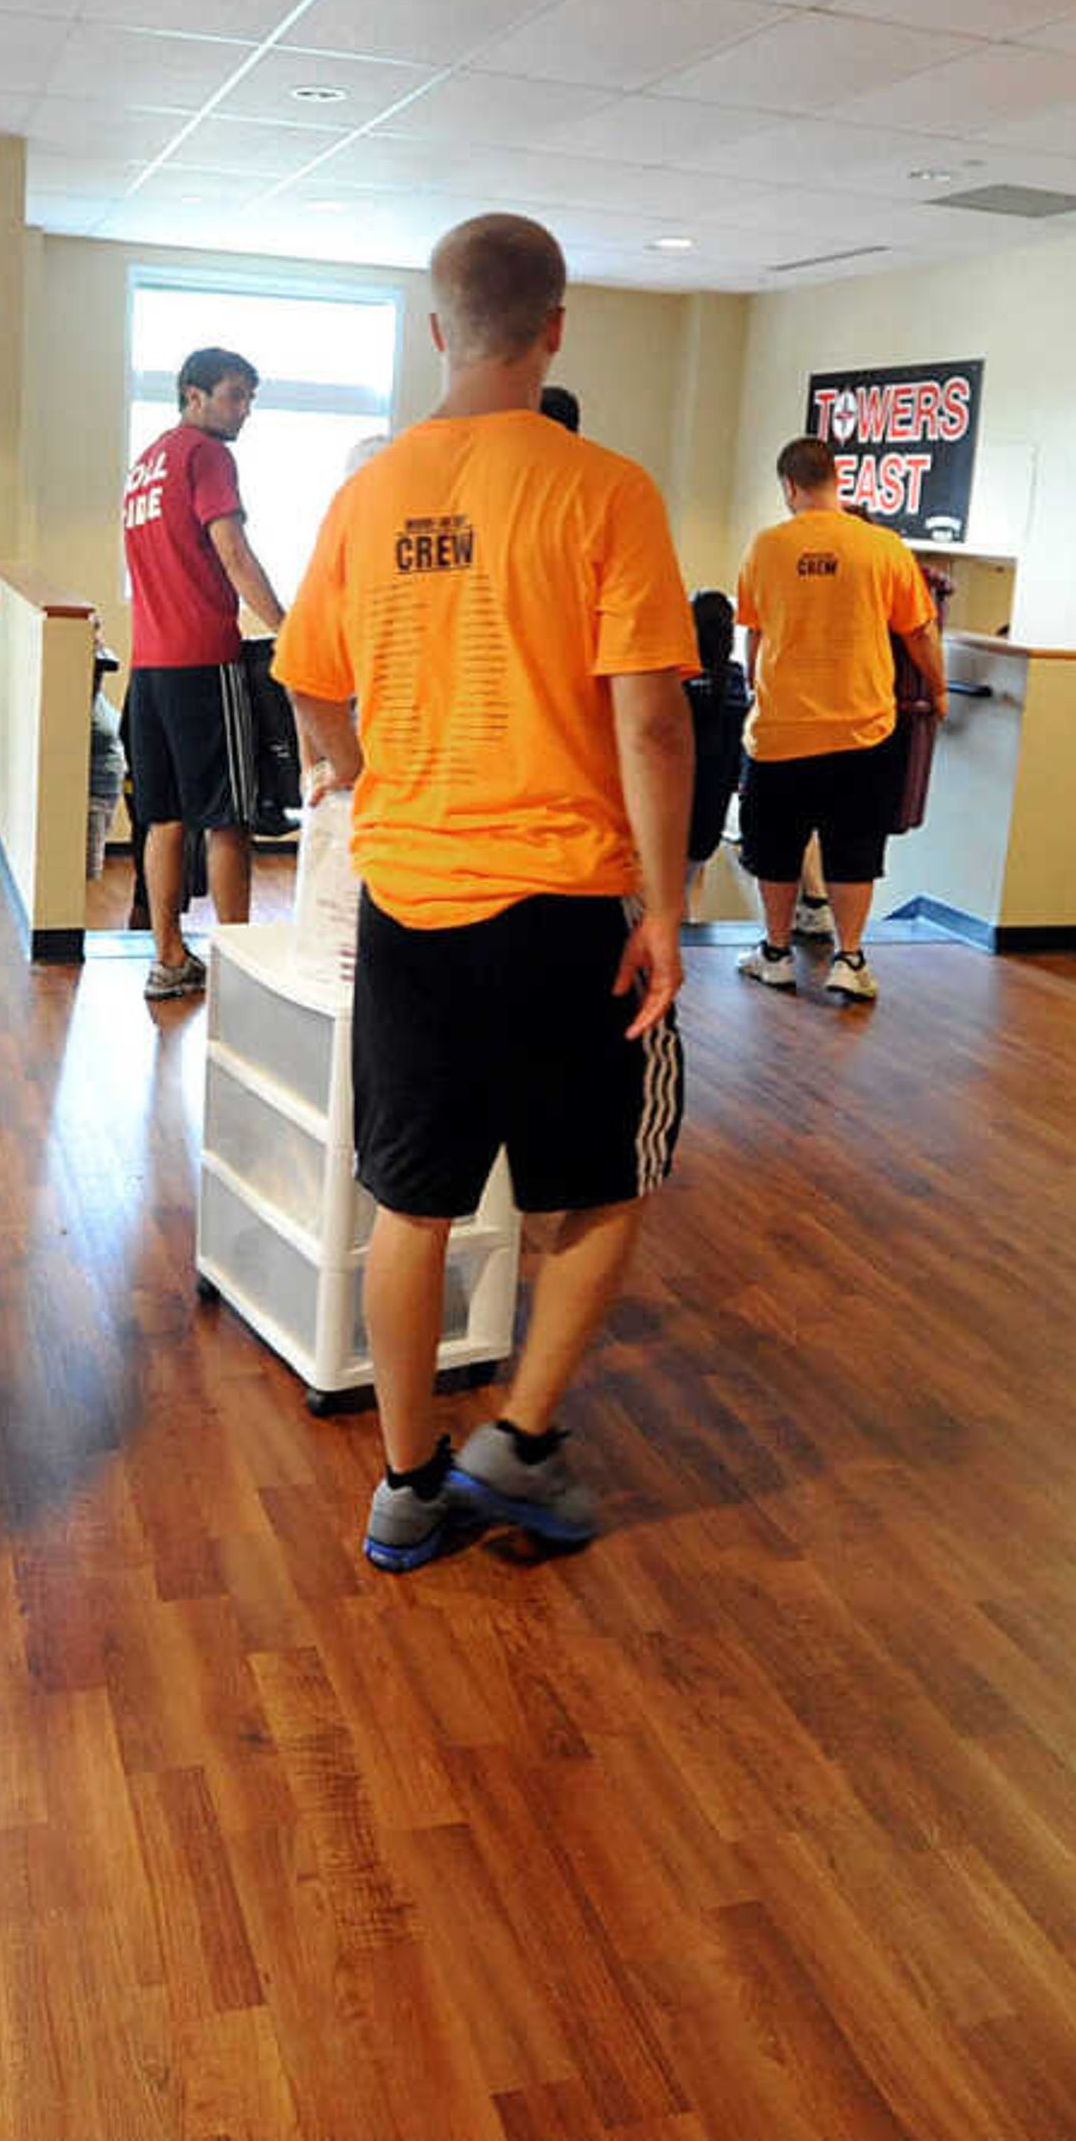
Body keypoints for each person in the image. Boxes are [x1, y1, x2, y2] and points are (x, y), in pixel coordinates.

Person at [274, 214, 695, 1573]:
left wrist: (358, 771)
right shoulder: (605, 488)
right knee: (604, 1185)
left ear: (437, 327)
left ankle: (408, 1482)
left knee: (413, 1202)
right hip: (565, 903)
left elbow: (307, 676)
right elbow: (652, 726)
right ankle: (515, 1437)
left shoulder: (371, 490)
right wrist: (671, 912)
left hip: (413, 900)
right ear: (558, 326)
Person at [733, 435, 940, 1005]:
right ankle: (849, 959)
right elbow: (919, 631)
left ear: (790, 487)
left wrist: (757, 685)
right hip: (862, 728)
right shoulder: (883, 546)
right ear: (836, 480)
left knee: (774, 848)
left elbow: (754, 632)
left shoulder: (767, 547)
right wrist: (939, 691)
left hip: (781, 729)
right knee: (854, 850)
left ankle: (775, 954)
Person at [120, 344, 288, 1002]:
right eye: (235, 395)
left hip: (151, 668)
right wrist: (287, 627)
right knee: (228, 818)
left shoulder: (146, 464)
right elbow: (234, 552)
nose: (244, 410)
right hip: (203, 661)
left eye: (249, 397)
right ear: (194, 395)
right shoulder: (207, 454)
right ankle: (240, 969)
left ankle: (169, 960)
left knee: (164, 818)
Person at [682, 589, 749, 914]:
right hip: (711, 813)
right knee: (688, 887)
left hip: (673, 807)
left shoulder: (678, 677)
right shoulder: (737, 680)